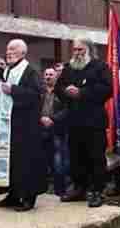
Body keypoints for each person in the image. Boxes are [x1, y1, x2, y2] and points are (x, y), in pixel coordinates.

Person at [54, 38, 111, 207]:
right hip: (74, 121)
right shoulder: (68, 68)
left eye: (81, 50)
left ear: (89, 50)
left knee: (95, 157)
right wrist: (67, 92)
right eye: (75, 50)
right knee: (76, 157)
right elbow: (58, 88)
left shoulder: (100, 67)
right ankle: (79, 188)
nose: (77, 53)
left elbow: (107, 89)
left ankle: (97, 191)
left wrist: (82, 92)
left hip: (94, 121)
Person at [0, 39, 46, 212]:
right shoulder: (7, 70)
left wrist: (14, 90)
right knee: (11, 162)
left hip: (26, 128)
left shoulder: (30, 72)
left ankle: (29, 198)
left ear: (23, 53)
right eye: (7, 49)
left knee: (26, 163)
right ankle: (13, 194)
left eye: (13, 49)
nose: (8, 52)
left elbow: (36, 95)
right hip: (9, 128)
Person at [40, 67, 70, 197]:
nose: (48, 77)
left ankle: (60, 191)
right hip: (41, 129)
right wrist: (40, 118)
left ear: (56, 76)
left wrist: (52, 119)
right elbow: (34, 107)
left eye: (51, 74)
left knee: (58, 161)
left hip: (57, 130)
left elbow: (67, 110)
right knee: (42, 160)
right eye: (46, 74)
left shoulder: (61, 91)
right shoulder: (40, 91)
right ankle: (43, 188)